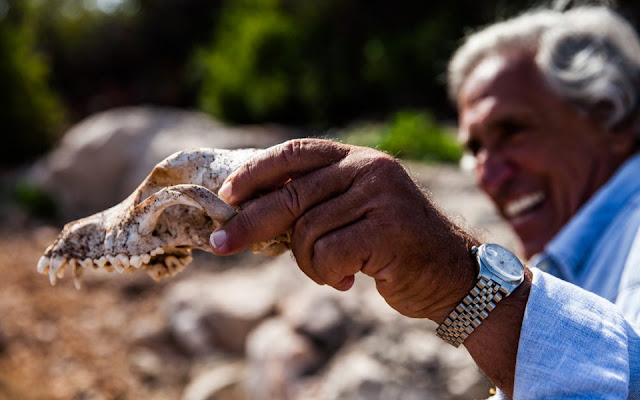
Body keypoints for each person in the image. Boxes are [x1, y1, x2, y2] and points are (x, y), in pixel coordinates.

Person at [209, 5, 640, 398]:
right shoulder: (576, 256)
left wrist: (461, 278)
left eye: (513, 131)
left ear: (613, 119)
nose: (488, 176)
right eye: (475, 150)